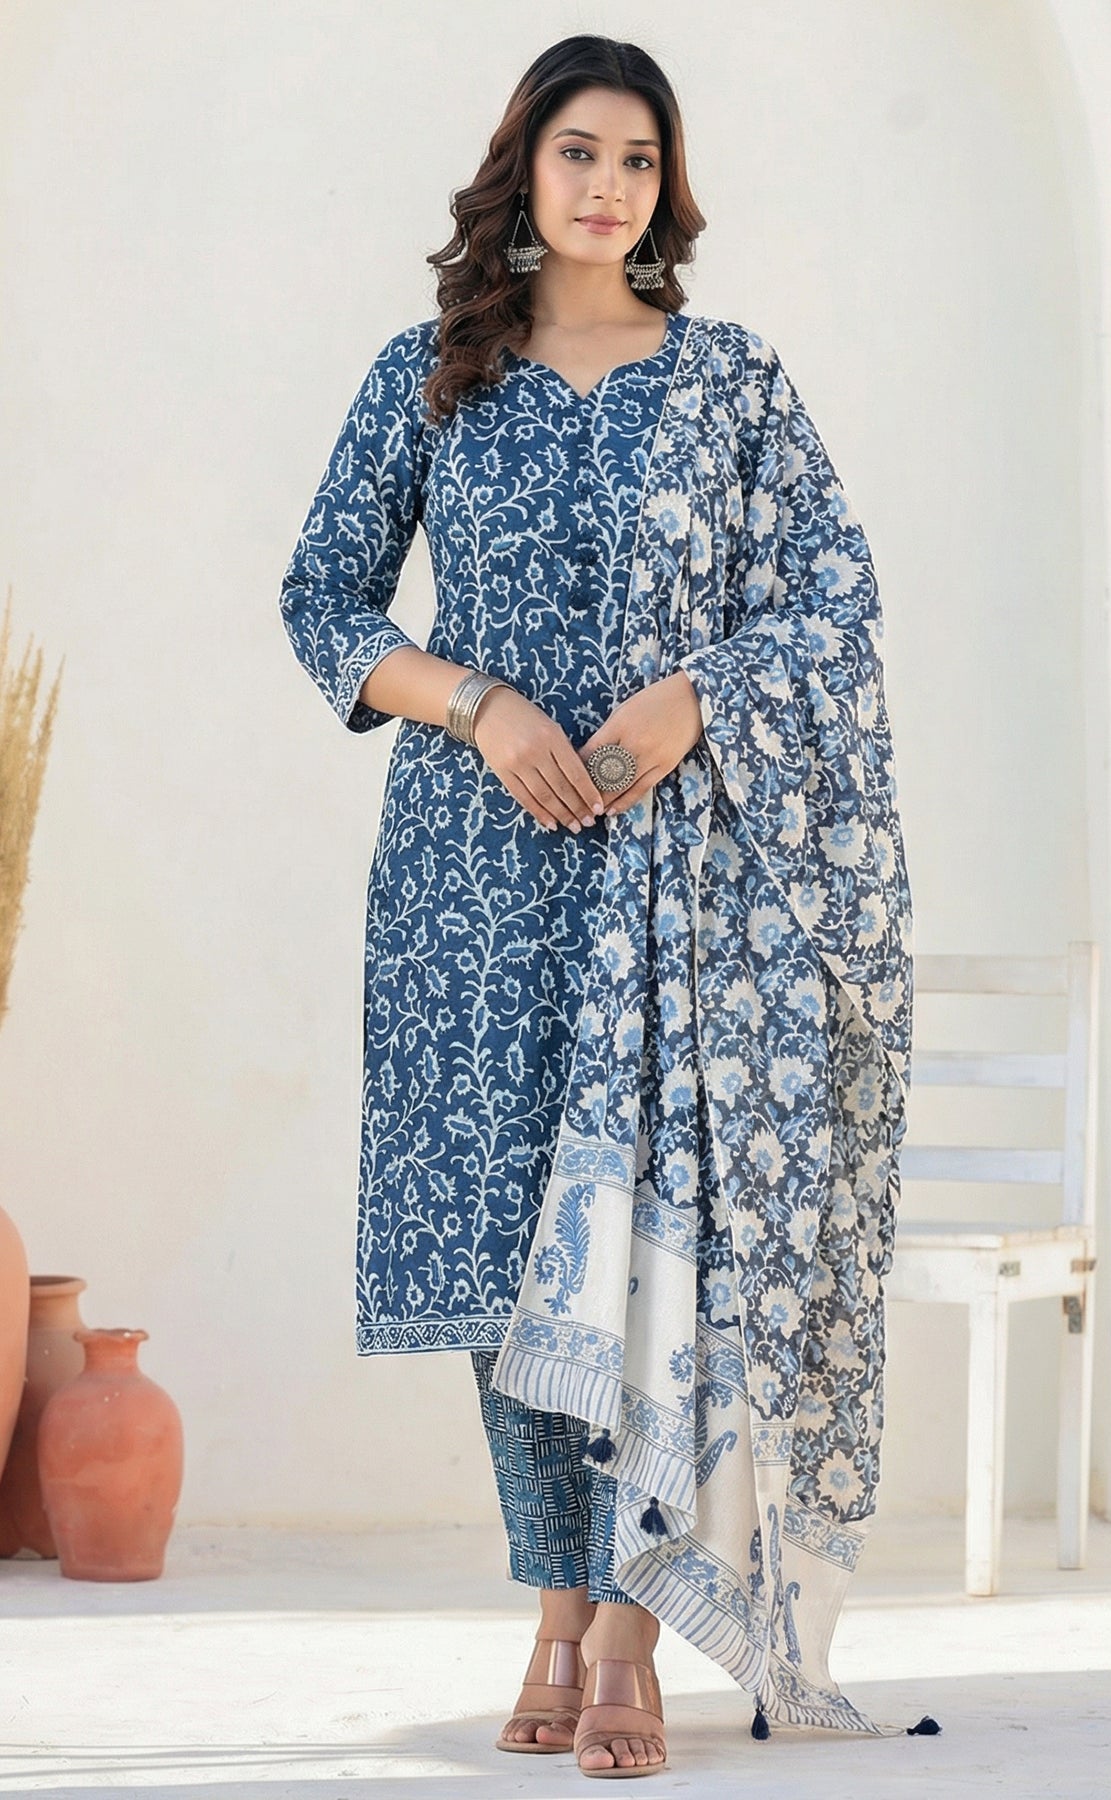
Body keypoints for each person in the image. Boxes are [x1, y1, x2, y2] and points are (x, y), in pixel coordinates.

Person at [280, 31, 937, 1780]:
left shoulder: (732, 382)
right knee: (518, 1259)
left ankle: (632, 1635)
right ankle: (555, 1607)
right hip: (474, 883)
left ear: (667, 187)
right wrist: (480, 706)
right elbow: (324, 602)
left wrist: (696, 697)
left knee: (661, 1243)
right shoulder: (429, 376)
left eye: (639, 160)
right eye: (581, 151)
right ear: (526, 167)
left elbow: (836, 601)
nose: (609, 186)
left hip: (684, 885)